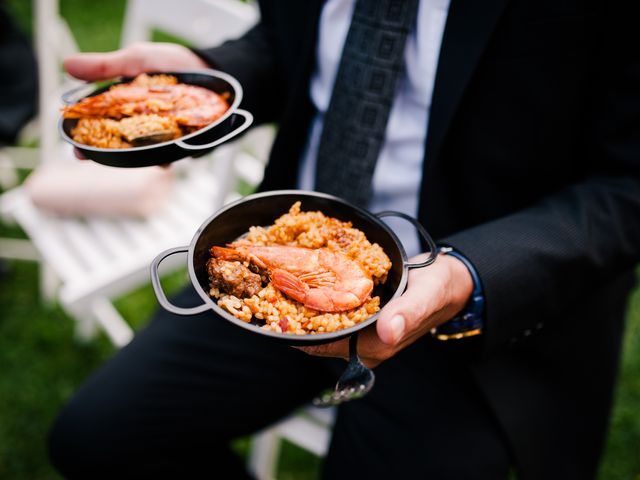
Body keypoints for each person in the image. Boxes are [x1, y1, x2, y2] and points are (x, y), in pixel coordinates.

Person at [48, 1, 640, 479]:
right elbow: (290, 45)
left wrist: (465, 275)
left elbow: (626, 186)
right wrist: (209, 76)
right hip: (273, 272)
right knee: (94, 439)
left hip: (476, 312)